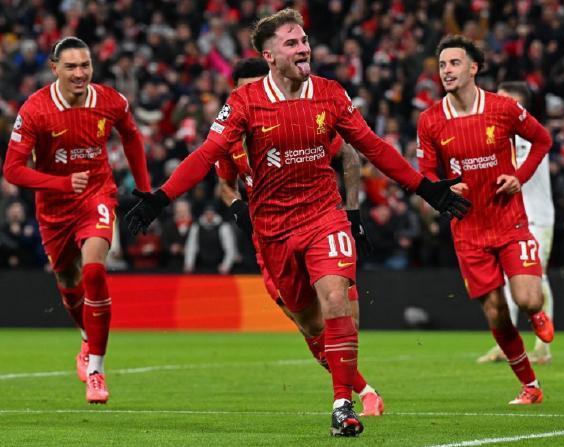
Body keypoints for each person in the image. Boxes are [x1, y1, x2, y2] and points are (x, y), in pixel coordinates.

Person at [125, 9, 468, 436]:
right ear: (269, 56)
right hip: (273, 231)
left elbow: (371, 147)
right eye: (292, 43)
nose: (303, 48)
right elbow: (206, 155)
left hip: (324, 216)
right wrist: (161, 198)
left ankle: (342, 405)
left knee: (337, 300)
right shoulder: (245, 102)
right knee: (311, 323)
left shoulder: (330, 93)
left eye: (304, 40)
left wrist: (426, 189)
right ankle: (359, 386)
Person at [216, 57, 384, 417]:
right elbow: (224, 183)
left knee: (345, 318)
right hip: (270, 239)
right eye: (245, 88)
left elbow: (349, 156)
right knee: (310, 326)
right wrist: (235, 205)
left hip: (318, 223)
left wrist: (353, 213)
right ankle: (362, 391)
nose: (253, 93)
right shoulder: (229, 138)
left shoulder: (294, 120)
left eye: (257, 85)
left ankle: (349, 398)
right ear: (235, 93)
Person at [3, 37, 150, 404]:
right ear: (55, 68)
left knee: (94, 271)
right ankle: (87, 339)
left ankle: (96, 371)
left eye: (85, 65)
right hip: (54, 207)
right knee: (69, 281)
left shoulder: (110, 100)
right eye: (71, 66)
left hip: (96, 195)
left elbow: (131, 136)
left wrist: (146, 191)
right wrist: (62, 183)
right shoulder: (35, 110)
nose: (80, 73)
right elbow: (12, 170)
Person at [416, 35, 554, 405]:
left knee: (527, 299)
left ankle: (537, 313)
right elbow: (426, 173)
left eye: (454, 63)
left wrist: (519, 177)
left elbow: (542, 140)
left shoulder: (503, 108)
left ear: (473, 68)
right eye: (442, 65)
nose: (447, 71)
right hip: (468, 230)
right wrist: (445, 190)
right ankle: (530, 385)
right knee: (496, 313)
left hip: (509, 222)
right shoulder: (430, 120)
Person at [477, 82, 556, 365]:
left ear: (521, 107)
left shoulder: (529, 136)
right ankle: (507, 346)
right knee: (506, 280)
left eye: (506, 100)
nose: (498, 104)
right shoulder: (494, 134)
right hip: (508, 218)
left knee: (536, 277)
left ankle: (542, 349)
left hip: (536, 218)